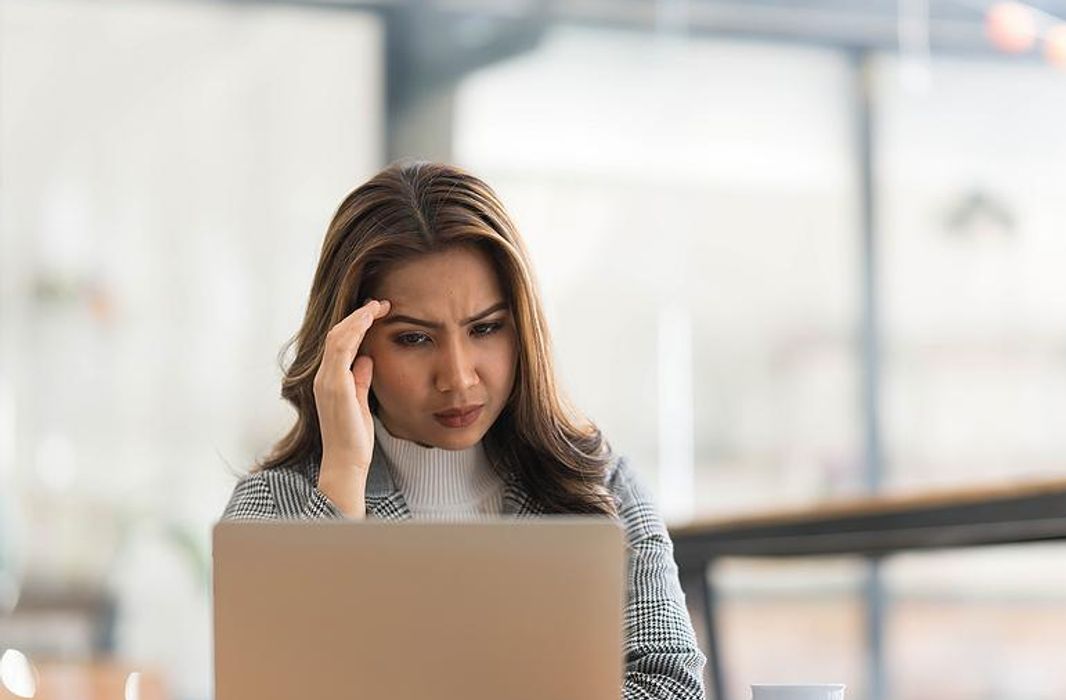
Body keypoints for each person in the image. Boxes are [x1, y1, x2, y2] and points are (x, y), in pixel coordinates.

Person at [221, 161, 707, 699]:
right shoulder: (274, 504)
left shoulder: (599, 484)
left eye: (485, 328)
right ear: (352, 347)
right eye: (414, 338)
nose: (458, 377)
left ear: (522, 329)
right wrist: (343, 482)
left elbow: (671, 686)